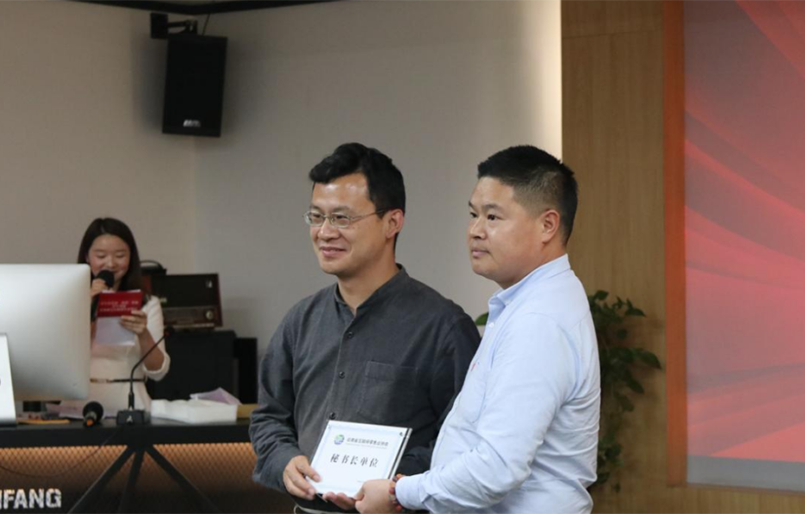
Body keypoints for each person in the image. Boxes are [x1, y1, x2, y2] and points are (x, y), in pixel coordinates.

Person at [355, 145, 601, 514]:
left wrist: (398, 493)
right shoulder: (531, 303)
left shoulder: (538, 321)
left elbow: (497, 468)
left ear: (547, 225)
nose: (475, 231)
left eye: (493, 217)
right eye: (473, 214)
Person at [249, 143, 480, 512]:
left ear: (392, 222)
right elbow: (269, 416)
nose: (325, 232)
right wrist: (284, 461)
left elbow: (463, 438)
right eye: (316, 217)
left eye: (342, 218)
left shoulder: (443, 328)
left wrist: (398, 483)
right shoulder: (301, 320)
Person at [67, 217, 171, 415]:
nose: (111, 263)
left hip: (129, 405)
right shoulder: (70, 299)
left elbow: (158, 372)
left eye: (120, 255)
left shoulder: (148, 303)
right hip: (78, 404)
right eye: (101, 255)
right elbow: (63, 358)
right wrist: (89, 303)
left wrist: (143, 333)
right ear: (87, 257)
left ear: (131, 257)